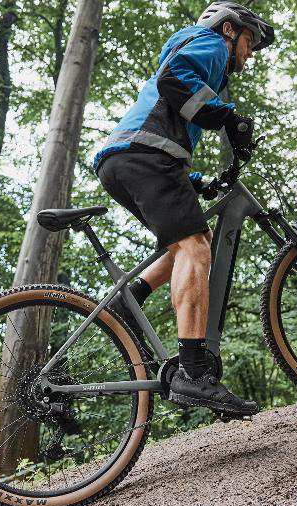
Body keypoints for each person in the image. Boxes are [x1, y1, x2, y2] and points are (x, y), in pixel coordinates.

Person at [93, 2, 275, 415]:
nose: (250, 54)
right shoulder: (211, 44)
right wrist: (228, 117)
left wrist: (196, 181)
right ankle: (193, 372)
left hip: (129, 159)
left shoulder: (201, 58)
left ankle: (128, 302)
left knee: (189, 242)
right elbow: (173, 78)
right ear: (229, 30)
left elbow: (162, 119)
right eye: (249, 41)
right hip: (143, 157)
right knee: (195, 248)